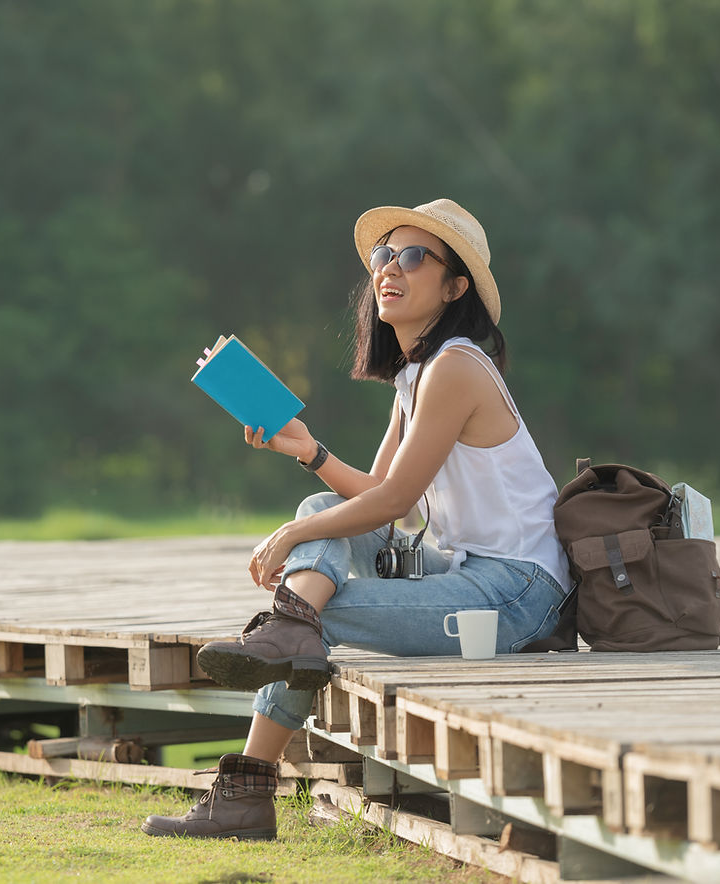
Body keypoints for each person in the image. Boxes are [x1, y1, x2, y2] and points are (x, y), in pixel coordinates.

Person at [142, 198, 570, 841]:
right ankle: (282, 653)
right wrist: (309, 450)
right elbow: (373, 493)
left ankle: (245, 790)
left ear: (455, 288)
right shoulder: (417, 374)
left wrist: (291, 536)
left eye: (414, 257)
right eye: (383, 255)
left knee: (312, 614)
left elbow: (394, 502)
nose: (389, 268)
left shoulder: (456, 366)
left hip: (515, 592)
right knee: (322, 518)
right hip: (465, 570)